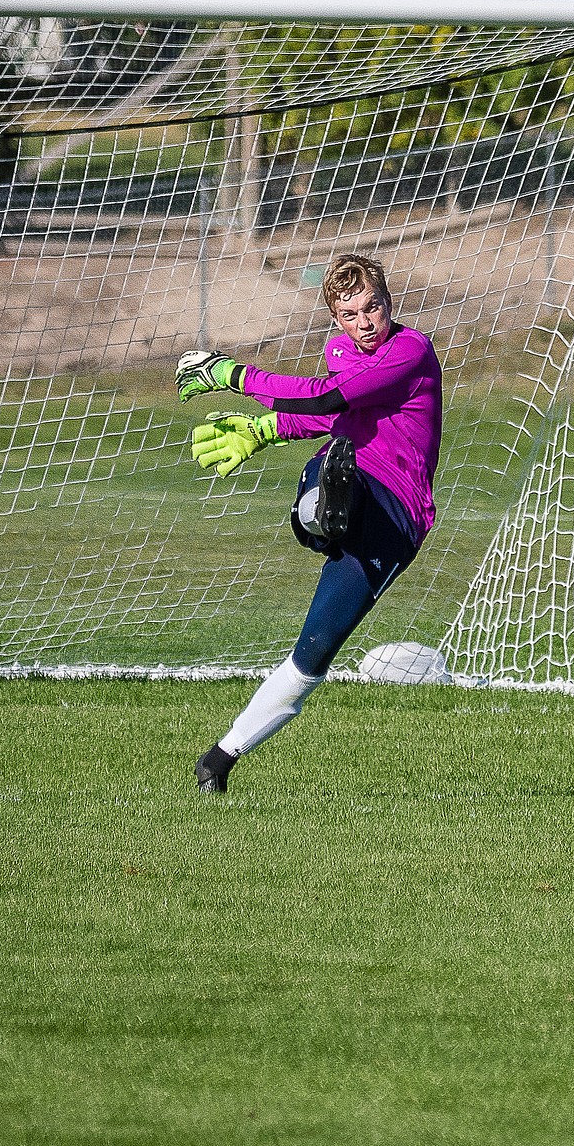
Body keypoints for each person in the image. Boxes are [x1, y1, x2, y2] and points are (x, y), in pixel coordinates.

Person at [175, 253, 443, 794]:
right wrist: (262, 430)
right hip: (356, 477)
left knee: (315, 650)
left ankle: (219, 761)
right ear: (336, 319)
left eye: (373, 308)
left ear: (389, 302)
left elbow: (326, 397)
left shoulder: (411, 351)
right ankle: (319, 515)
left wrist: (232, 374)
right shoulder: (341, 351)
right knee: (335, 463)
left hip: (400, 513)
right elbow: (331, 414)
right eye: (350, 314)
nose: (365, 324)